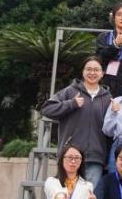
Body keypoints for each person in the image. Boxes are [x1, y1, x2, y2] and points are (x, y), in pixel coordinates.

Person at [41, 56, 114, 185]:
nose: (92, 73)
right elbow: (47, 109)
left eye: (96, 70)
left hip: (95, 158)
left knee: (89, 195)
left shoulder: (108, 97)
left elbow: (111, 129)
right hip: (70, 155)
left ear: (102, 73)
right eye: (88, 69)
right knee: (67, 194)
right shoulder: (70, 91)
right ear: (82, 71)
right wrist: (71, 104)